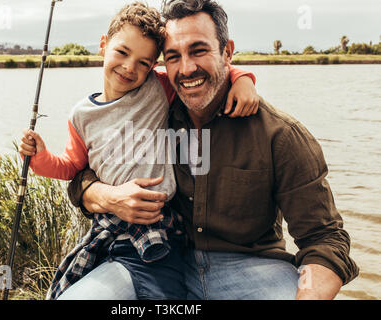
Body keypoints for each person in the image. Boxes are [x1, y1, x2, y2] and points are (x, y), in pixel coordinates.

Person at [70, 0, 359, 300]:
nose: (187, 68)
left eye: (199, 50)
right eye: (173, 56)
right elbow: (81, 175)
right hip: (161, 260)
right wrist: (107, 196)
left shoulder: (281, 136)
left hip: (254, 271)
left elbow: (326, 242)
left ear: (227, 53)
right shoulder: (155, 116)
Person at [19, 2, 258, 300]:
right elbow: (71, 166)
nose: (130, 67)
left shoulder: (157, 88)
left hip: (158, 228)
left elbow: (205, 72)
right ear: (103, 45)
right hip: (108, 227)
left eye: (145, 62)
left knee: (165, 295)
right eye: (122, 52)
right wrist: (39, 158)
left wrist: (243, 79)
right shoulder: (81, 115)